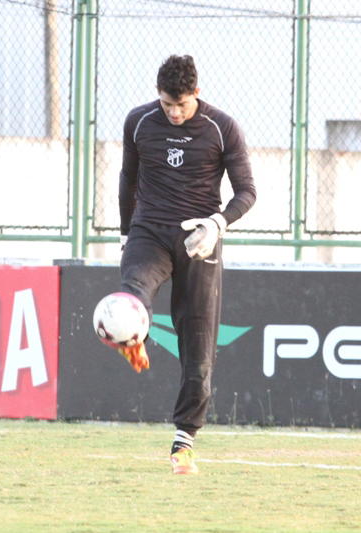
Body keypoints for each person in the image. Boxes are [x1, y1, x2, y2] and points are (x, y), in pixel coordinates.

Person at [116, 54, 256, 475]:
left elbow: (247, 191)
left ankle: (183, 445)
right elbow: (128, 178)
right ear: (156, 95)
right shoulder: (139, 122)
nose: (174, 113)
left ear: (197, 93)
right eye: (166, 104)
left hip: (200, 237)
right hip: (150, 230)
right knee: (131, 291)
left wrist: (217, 224)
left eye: (181, 104)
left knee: (198, 346)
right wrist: (126, 234)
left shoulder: (222, 127)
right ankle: (130, 332)